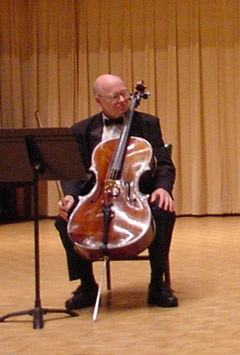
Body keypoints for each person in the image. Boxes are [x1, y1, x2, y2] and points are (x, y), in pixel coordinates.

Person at [55, 74, 178, 309]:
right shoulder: (81, 130)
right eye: (114, 96)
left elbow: (163, 163)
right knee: (64, 220)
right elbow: (73, 171)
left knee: (163, 211)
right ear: (98, 100)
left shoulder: (148, 123)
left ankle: (157, 285)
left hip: (137, 194)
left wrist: (163, 189)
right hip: (96, 196)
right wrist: (70, 195)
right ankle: (87, 285)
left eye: (124, 94)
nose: (122, 100)